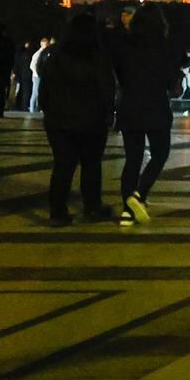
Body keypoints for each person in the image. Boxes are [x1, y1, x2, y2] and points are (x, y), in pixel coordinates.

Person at [38, 12, 116, 226]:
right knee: (91, 165)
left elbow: (44, 90)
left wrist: (49, 111)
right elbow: (106, 88)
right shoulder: (98, 56)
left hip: (58, 121)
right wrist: (109, 113)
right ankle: (92, 206)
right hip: (91, 120)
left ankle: (57, 212)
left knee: (63, 166)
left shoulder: (56, 56)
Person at [111, 4, 176, 226]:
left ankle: (127, 211)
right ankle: (139, 195)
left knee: (132, 160)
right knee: (160, 154)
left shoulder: (124, 46)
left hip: (130, 106)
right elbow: (171, 83)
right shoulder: (165, 47)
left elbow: (120, 76)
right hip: (156, 106)